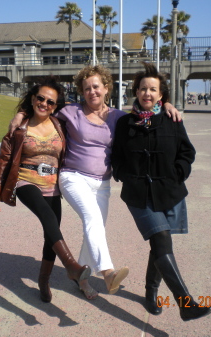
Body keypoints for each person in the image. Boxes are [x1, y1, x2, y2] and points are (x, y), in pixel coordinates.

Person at [10, 65, 182, 299]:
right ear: (82, 91)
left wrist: (168, 105)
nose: (92, 91)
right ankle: (108, 272)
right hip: (73, 177)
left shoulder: (120, 118)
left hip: (102, 183)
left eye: (96, 86)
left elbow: (148, 113)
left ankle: (81, 279)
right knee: (91, 218)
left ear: (106, 88)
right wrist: (21, 114)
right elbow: (41, 107)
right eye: (87, 88)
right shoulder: (70, 111)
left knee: (95, 230)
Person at [111, 62, 211, 322]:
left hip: (169, 191)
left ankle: (150, 292)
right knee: (160, 240)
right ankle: (186, 302)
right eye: (143, 88)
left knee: (159, 244)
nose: (147, 93)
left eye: (153, 89)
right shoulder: (124, 122)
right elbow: (117, 155)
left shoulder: (171, 118)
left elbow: (187, 152)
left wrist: (178, 173)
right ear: (136, 91)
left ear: (161, 95)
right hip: (138, 194)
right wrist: (124, 174)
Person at [0, 75, 92, 303]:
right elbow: (5, 158)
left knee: (51, 233)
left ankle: (43, 279)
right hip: (26, 180)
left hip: (53, 185)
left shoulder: (60, 123)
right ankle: (71, 266)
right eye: (40, 98)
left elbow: (86, 110)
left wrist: (164, 102)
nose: (44, 104)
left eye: (50, 102)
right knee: (46, 215)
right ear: (33, 98)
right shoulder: (21, 126)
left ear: (56, 106)